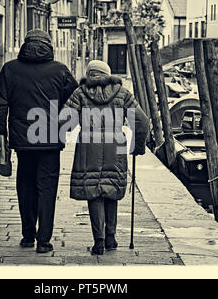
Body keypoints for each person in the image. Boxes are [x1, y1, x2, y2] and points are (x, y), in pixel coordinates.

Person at [0, 29, 78, 253]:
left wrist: (1, 140)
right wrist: (63, 127)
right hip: (50, 140)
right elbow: (76, 102)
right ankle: (44, 240)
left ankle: (28, 235)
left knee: (26, 187)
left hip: (23, 142)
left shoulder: (10, 69)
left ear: (25, 45)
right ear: (49, 45)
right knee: (47, 189)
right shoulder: (60, 71)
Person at [60, 60, 150, 255]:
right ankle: (111, 237)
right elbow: (142, 120)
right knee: (111, 188)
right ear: (107, 74)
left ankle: (98, 241)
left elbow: (64, 122)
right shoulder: (122, 93)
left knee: (93, 191)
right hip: (115, 146)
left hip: (88, 147)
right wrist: (138, 145)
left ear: (89, 73)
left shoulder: (80, 93)